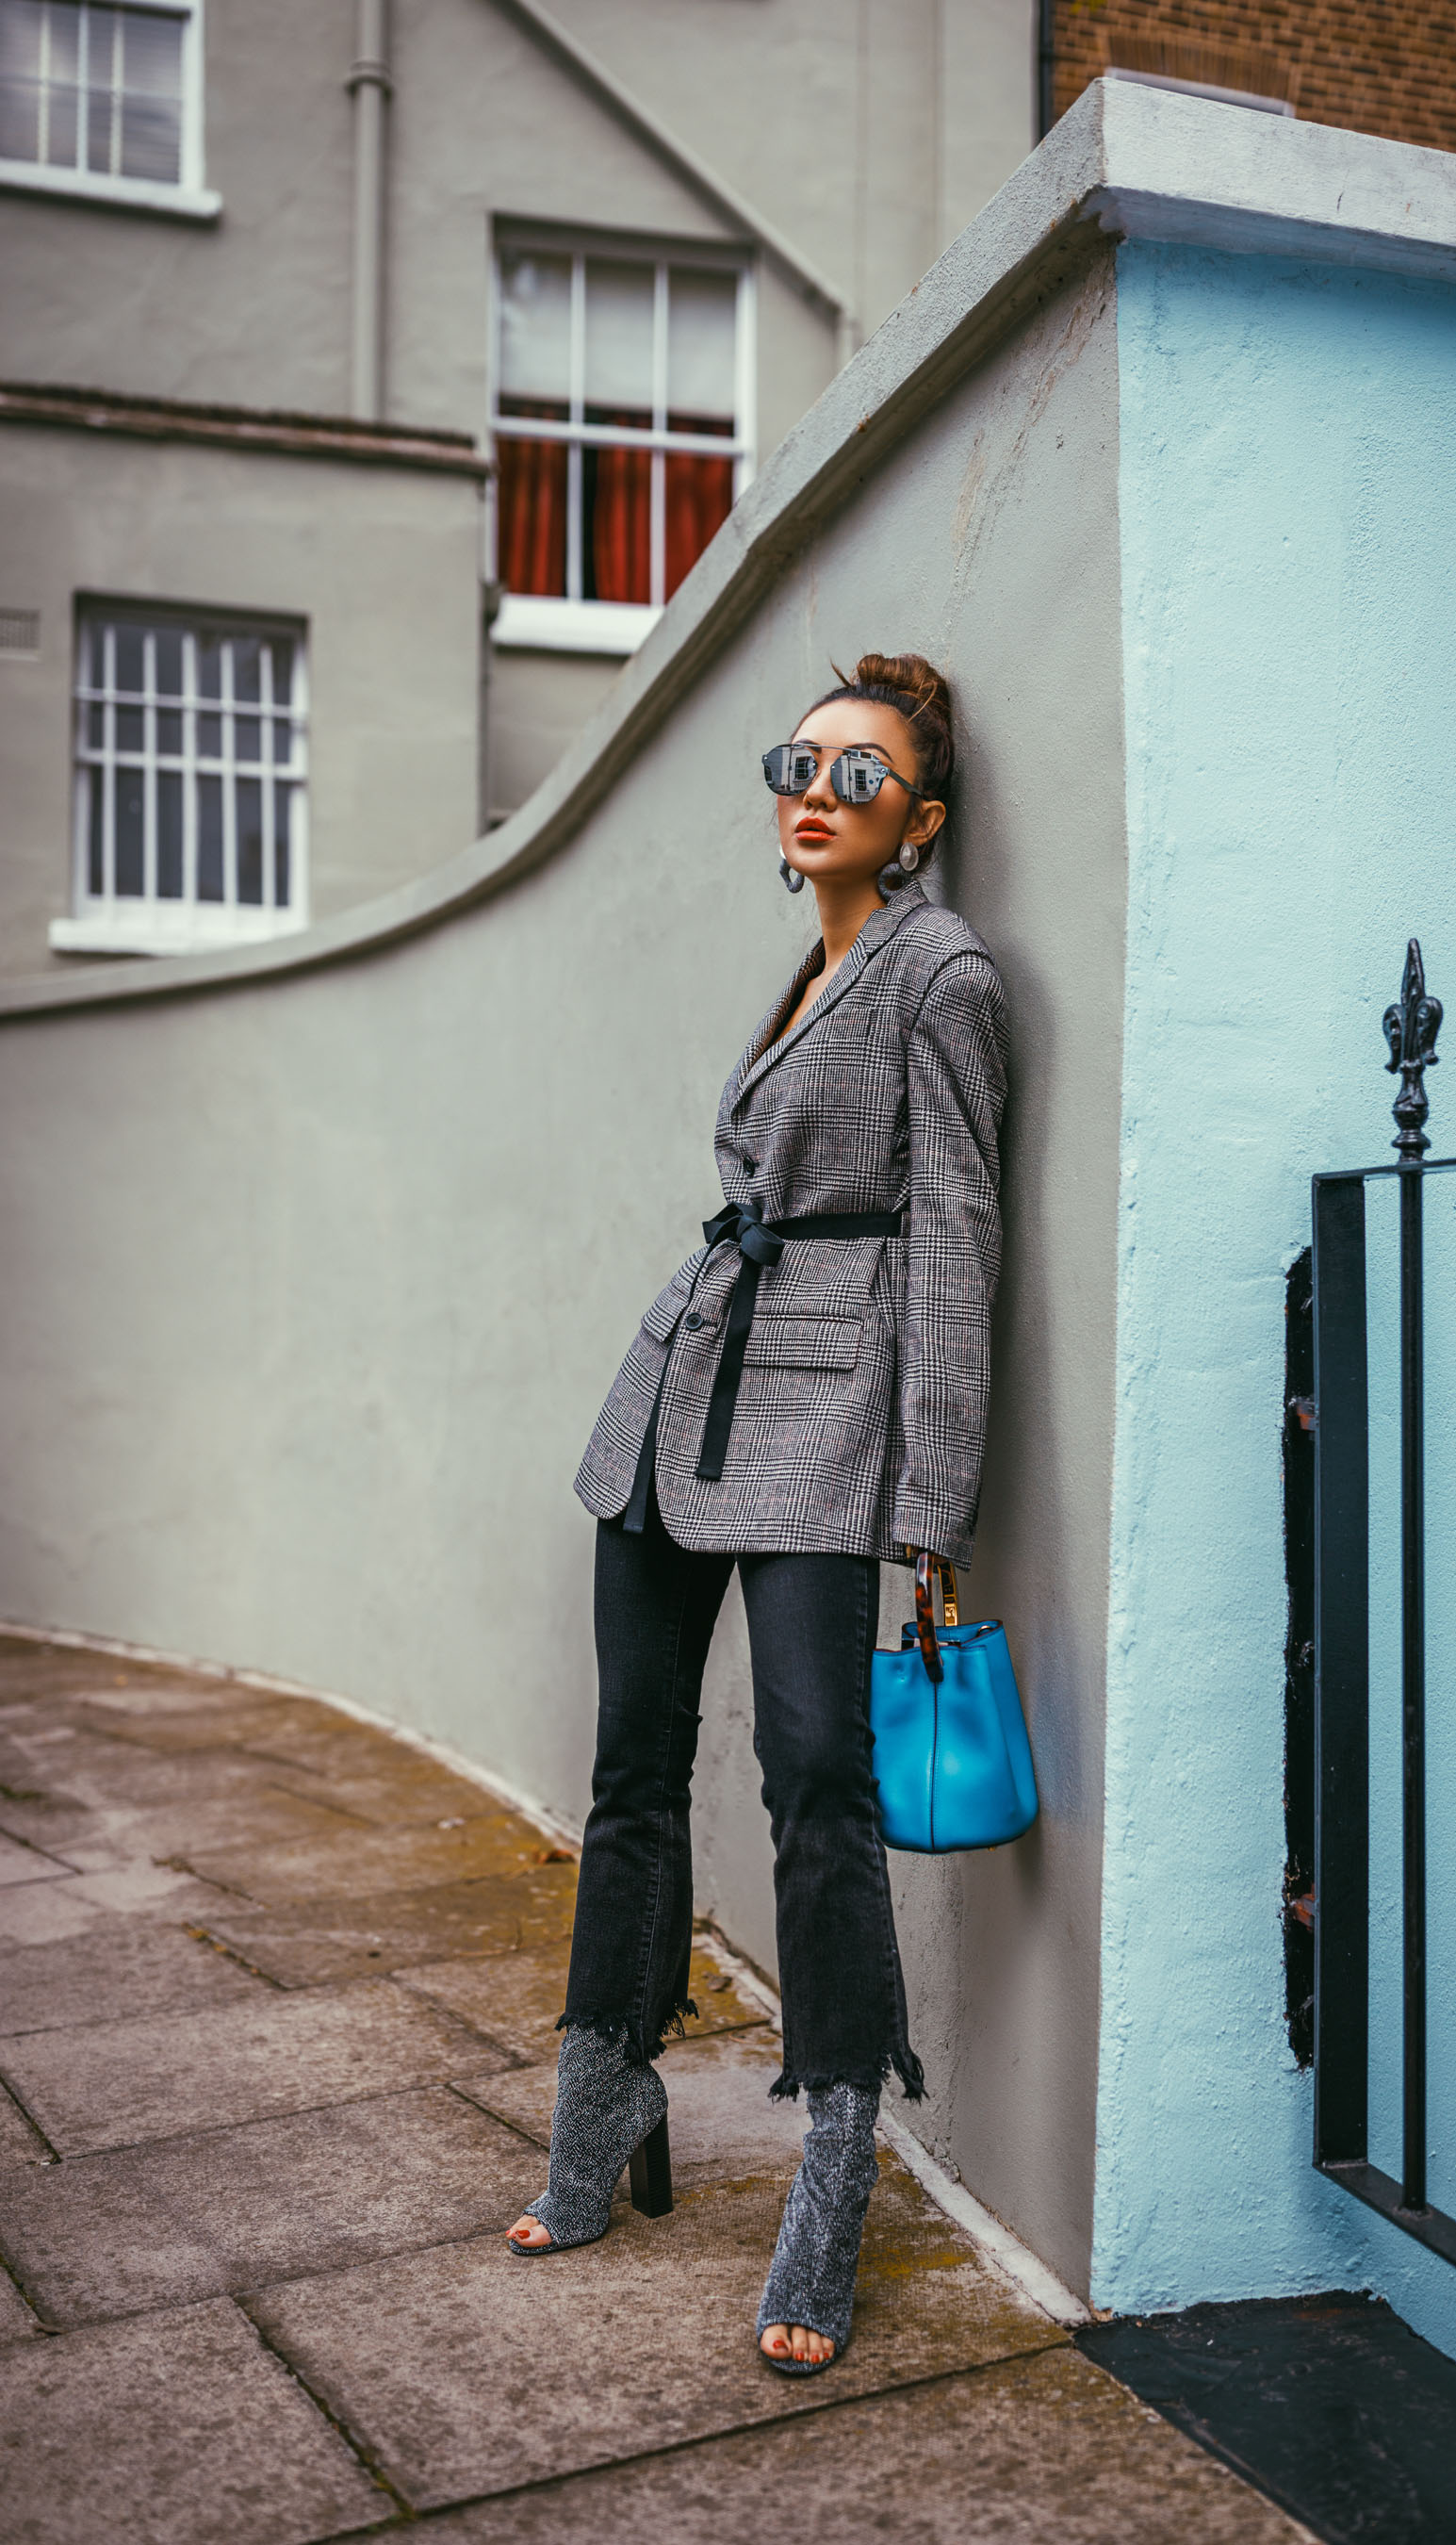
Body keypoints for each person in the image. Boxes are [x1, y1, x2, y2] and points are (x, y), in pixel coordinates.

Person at [505, 650, 1007, 2375]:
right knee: (633, 1765)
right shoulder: (812, 963)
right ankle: (603, 2091)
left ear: (921, 821)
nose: (816, 788)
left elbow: (955, 1245)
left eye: (859, 773)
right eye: (798, 760)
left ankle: (838, 2163)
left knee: (815, 1782)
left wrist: (934, 1489)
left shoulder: (941, 975)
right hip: (673, 1401)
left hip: (822, 1423)